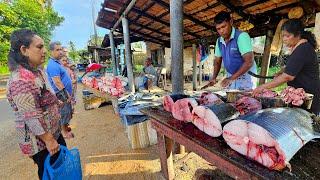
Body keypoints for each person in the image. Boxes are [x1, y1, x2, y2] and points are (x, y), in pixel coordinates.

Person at [6, 29, 66, 179]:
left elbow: (44, 96)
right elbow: (30, 115)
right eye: (39, 47)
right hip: (42, 141)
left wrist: (55, 103)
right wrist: (49, 139)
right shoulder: (21, 79)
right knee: (50, 173)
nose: (44, 51)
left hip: (51, 134)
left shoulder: (36, 71)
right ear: (24, 50)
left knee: (60, 169)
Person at [253, 19, 320, 115]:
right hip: (301, 97)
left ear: (297, 35)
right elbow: (297, 66)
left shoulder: (303, 49)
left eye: (287, 36)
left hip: (308, 100)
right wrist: (283, 71)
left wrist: (262, 87)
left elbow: (288, 76)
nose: (284, 39)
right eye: (283, 36)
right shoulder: (301, 47)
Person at [208, 11, 257, 90]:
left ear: (231, 22)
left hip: (245, 76)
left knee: (245, 100)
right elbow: (217, 61)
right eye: (218, 29)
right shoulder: (219, 41)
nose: (221, 31)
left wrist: (231, 78)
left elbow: (249, 62)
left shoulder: (242, 36)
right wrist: (214, 77)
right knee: (230, 100)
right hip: (230, 75)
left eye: (223, 26)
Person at [46, 42, 74, 139]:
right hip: (60, 93)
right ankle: (65, 132)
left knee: (67, 111)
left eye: (61, 49)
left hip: (63, 92)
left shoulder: (57, 63)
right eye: (57, 50)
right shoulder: (52, 65)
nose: (60, 52)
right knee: (63, 112)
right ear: (51, 52)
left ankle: (66, 127)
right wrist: (66, 94)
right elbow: (57, 82)